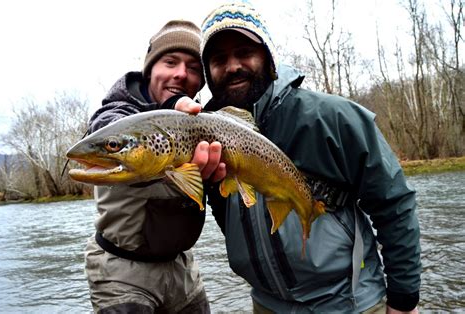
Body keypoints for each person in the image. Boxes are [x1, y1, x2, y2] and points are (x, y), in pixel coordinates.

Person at [177, 2, 421, 313]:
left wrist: (403, 299)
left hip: (349, 303)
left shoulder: (332, 118)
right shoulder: (206, 135)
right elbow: (229, 218)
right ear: (209, 72)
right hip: (266, 304)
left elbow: (394, 203)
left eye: (244, 52)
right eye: (219, 59)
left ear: (268, 57)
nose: (232, 66)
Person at [83, 20, 210, 313]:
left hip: (183, 268)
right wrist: (168, 111)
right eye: (170, 62)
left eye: (193, 68)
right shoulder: (118, 109)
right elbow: (103, 127)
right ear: (150, 68)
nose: (181, 73)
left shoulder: (200, 121)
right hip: (120, 273)